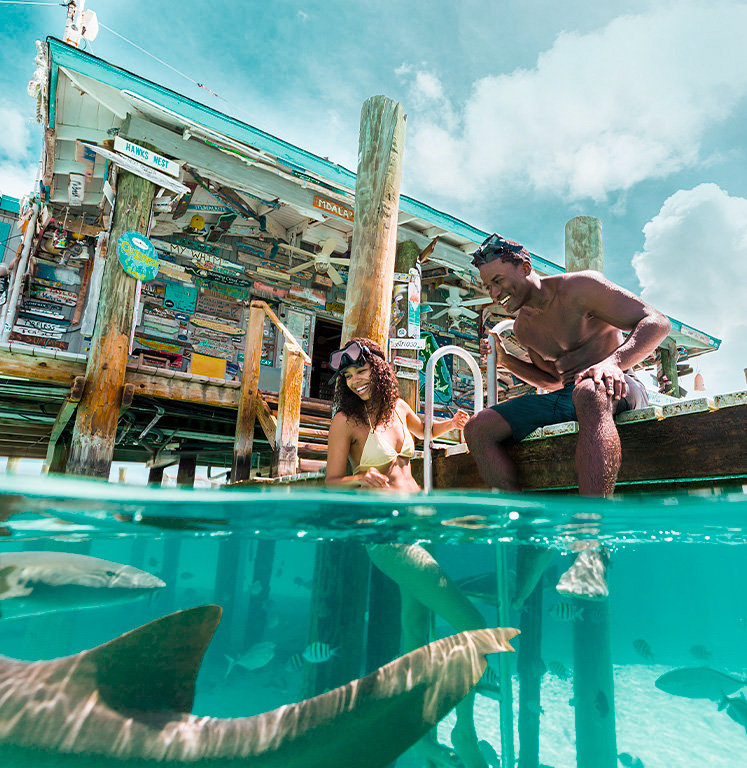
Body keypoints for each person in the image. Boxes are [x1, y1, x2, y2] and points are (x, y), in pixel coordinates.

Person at [463, 234, 671, 603]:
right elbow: (553, 380)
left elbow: (657, 322)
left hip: (619, 385)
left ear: (524, 267)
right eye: (488, 286)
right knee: (478, 427)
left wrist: (611, 363)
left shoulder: (580, 287)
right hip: (570, 394)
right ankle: (529, 536)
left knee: (588, 392)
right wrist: (507, 359)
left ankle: (592, 547)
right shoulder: (524, 329)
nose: (494, 293)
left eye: (497, 281)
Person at [325, 337, 493, 768]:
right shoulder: (345, 420)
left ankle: (419, 737)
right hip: (387, 537)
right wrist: (361, 481)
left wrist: (451, 425)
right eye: (348, 375)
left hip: (419, 526)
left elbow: (420, 431)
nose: (355, 381)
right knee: (473, 625)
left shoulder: (397, 407)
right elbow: (331, 483)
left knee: (415, 635)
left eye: (361, 372)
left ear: (379, 369)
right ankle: (465, 730)